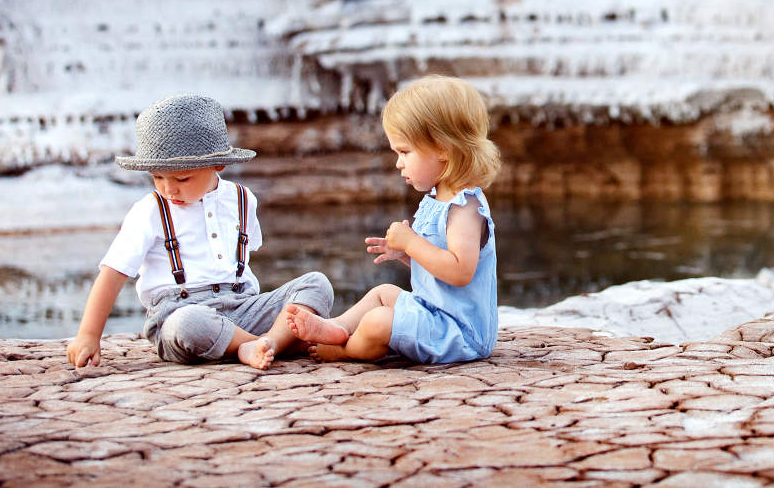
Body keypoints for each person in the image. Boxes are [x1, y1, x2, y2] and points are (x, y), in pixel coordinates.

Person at [65, 93, 334, 370]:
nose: (169, 189)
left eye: (182, 178)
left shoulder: (242, 200)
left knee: (316, 283)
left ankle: (270, 342)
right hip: (180, 313)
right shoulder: (150, 210)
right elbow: (113, 273)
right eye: (158, 177)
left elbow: (242, 258)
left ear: (218, 164)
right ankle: (263, 342)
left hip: (242, 306)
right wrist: (88, 335)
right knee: (189, 323)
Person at [285, 75, 502, 364]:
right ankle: (338, 327)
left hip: (459, 333)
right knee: (383, 293)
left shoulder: (465, 208)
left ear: (443, 149)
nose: (398, 162)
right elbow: (438, 271)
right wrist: (403, 254)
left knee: (379, 322)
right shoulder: (439, 199)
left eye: (404, 152)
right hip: (435, 314)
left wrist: (411, 243)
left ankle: (345, 350)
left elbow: (460, 273)